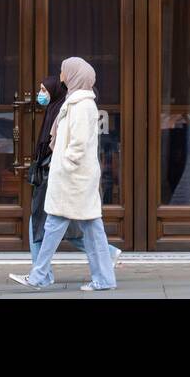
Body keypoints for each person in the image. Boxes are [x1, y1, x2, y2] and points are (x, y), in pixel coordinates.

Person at [11, 57, 118, 291]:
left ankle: (40, 276)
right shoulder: (76, 102)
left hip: (73, 179)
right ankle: (102, 279)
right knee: (85, 229)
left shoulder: (81, 106)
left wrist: (65, 167)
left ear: (74, 76)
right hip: (76, 179)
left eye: (64, 71)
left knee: (57, 226)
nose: (61, 75)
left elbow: (77, 145)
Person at [28, 75, 86, 262]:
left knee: (40, 224)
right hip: (51, 177)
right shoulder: (53, 111)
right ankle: (108, 253)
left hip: (53, 177)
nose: (40, 94)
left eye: (44, 90)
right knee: (64, 228)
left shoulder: (62, 113)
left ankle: (40, 271)